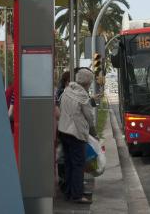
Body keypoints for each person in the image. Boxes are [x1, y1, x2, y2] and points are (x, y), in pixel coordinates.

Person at [58, 68, 97, 204]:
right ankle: (77, 195)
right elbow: (89, 116)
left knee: (68, 163)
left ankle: (69, 192)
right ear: (88, 82)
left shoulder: (67, 90)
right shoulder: (82, 95)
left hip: (63, 130)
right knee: (78, 164)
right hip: (75, 133)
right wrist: (92, 129)